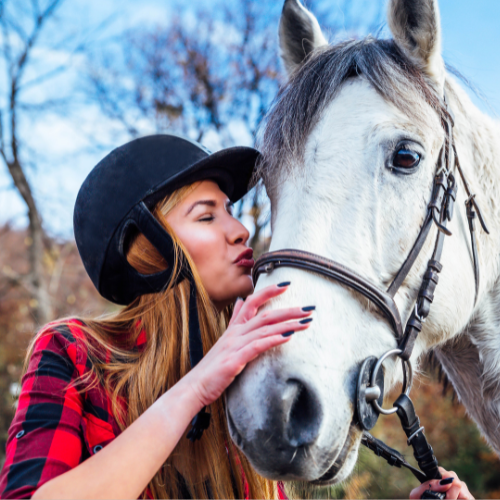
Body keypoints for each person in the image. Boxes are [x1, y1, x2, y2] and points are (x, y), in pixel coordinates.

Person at [0, 134, 472, 499]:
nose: (240, 229)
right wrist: (197, 388)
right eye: (207, 217)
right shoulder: (73, 352)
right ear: (147, 250)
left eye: (231, 211)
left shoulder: (256, 383)